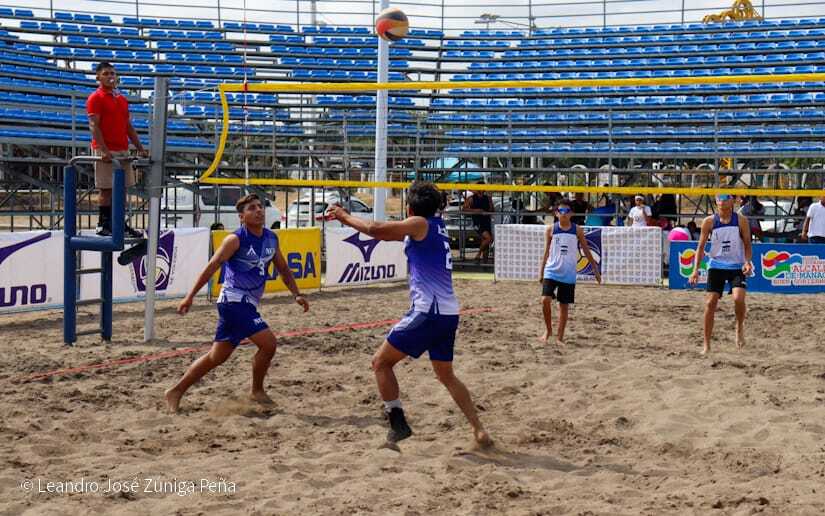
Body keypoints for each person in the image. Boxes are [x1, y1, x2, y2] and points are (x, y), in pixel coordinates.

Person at [327, 181, 492, 448]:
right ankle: (479, 429)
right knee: (446, 375)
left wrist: (343, 215)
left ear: (411, 207)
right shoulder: (436, 226)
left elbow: (375, 229)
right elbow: (388, 232)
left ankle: (398, 424)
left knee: (380, 363)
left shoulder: (419, 224)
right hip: (448, 313)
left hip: (428, 311)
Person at [165, 194, 310, 413]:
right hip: (233, 301)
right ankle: (257, 391)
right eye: (252, 208)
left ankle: (175, 391)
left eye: (260, 207)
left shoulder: (271, 238)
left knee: (217, 357)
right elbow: (212, 266)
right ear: (242, 217)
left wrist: (296, 294)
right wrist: (190, 296)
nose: (259, 211)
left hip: (247, 303)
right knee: (269, 343)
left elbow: (283, 268)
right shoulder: (235, 240)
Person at [86, 62, 147, 237]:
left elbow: (128, 126)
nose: (110, 76)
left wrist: (139, 147)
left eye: (112, 73)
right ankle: (103, 224)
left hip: (122, 149)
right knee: (106, 189)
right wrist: (104, 150)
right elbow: (93, 125)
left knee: (122, 190)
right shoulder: (95, 98)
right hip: (106, 149)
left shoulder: (121, 99)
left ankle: (119, 224)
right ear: (98, 77)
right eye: (106, 73)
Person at [689, 194, 753, 355]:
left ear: (732, 201)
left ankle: (739, 327)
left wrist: (747, 262)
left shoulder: (741, 220)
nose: (722, 200)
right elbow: (701, 248)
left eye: (726, 198)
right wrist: (695, 270)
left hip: (737, 265)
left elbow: (747, 244)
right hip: (716, 265)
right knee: (710, 303)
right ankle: (706, 345)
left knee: (738, 299)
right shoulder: (709, 221)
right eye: (719, 198)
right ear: (716, 202)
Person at [538, 200, 602, 346]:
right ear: (556, 213)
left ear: (571, 213)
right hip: (552, 270)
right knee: (545, 300)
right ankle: (548, 331)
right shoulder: (551, 229)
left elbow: (586, 250)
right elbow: (546, 251)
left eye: (567, 211)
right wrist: (541, 271)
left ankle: (560, 337)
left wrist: (595, 270)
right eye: (561, 211)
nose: (564, 214)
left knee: (563, 306)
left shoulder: (577, 229)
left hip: (568, 273)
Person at [463, 183, 494, 262]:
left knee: (485, 242)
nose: (482, 189)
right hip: (477, 222)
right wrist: (476, 211)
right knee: (489, 238)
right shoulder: (471, 198)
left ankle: (485, 263)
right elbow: (464, 210)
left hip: (486, 221)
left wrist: (490, 203)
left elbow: (492, 210)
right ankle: (478, 253)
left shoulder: (487, 198)